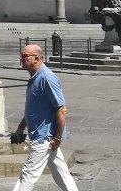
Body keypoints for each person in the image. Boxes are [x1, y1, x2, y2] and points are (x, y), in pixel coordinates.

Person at [10, 44, 79, 191]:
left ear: (36, 58)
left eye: (24, 56)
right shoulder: (34, 78)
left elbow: (61, 109)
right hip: (44, 136)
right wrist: (21, 128)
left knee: (28, 174)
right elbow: (33, 109)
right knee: (61, 174)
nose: (21, 59)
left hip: (45, 138)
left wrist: (58, 137)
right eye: (21, 56)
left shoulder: (47, 78)